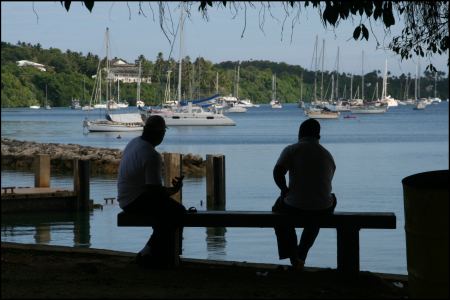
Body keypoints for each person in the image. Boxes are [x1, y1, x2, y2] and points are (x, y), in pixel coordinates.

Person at [117, 115, 186, 268]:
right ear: (160, 134)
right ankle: (152, 253)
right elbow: (154, 191)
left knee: (167, 214)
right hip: (135, 201)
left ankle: (161, 254)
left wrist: (170, 190)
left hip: (125, 198)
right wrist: (173, 190)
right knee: (178, 212)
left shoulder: (134, 142)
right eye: (163, 132)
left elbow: (152, 191)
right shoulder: (152, 155)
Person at [272, 118, 336, 270]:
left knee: (278, 213)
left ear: (300, 133)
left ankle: (294, 256)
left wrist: (284, 189)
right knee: (317, 215)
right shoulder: (327, 155)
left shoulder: (292, 149)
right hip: (322, 208)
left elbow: (278, 172)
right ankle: (302, 254)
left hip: (295, 206)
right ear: (318, 136)